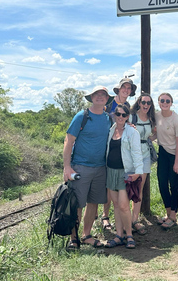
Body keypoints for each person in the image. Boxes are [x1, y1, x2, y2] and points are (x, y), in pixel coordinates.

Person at [63, 85, 111, 250]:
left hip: (100, 168)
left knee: (93, 203)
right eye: (96, 94)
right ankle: (73, 238)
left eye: (103, 94)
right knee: (77, 204)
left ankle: (86, 235)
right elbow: (68, 141)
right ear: (91, 97)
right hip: (80, 167)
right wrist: (67, 167)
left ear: (107, 99)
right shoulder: (81, 116)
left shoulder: (108, 119)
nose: (100, 96)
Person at [100, 78, 137, 230]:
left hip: (121, 147)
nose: (126, 90)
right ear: (119, 88)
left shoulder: (129, 107)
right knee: (108, 186)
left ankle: (122, 226)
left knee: (117, 188)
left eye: (129, 88)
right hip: (106, 143)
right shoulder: (108, 104)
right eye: (124, 87)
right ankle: (105, 215)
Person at [104, 104, 143, 249]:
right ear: (114, 115)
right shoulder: (111, 129)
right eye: (118, 114)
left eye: (123, 115)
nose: (120, 117)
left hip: (125, 172)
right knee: (116, 205)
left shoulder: (132, 132)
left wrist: (138, 172)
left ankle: (129, 235)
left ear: (127, 117)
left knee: (124, 206)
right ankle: (119, 235)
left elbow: (137, 153)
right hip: (111, 171)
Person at [155, 93, 178, 230]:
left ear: (171, 103)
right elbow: (157, 131)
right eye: (162, 100)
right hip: (162, 152)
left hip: (176, 154)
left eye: (167, 101)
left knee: (174, 185)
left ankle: (173, 215)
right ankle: (168, 213)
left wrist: (177, 162)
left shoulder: (177, 120)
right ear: (158, 102)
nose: (165, 102)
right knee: (162, 183)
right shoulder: (156, 115)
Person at [128, 93, 156, 235]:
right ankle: (125, 220)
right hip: (131, 156)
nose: (146, 105)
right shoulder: (132, 116)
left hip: (145, 155)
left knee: (138, 188)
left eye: (148, 103)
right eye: (143, 102)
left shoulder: (151, 118)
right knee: (127, 187)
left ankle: (134, 220)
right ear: (139, 102)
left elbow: (153, 134)